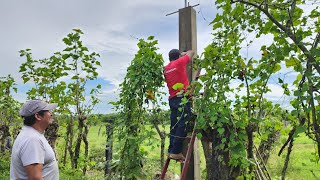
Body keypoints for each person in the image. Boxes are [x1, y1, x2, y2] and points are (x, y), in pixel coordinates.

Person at [10, 99, 59, 180]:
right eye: (48, 111)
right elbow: (35, 178)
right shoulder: (32, 139)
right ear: (38, 116)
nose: (51, 114)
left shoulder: (33, 134)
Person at [164, 49, 195, 161]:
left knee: (174, 124)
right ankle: (176, 151)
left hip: (172, 99)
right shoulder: (179, 62)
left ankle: (171, 150)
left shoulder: (165, 69)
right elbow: (191, 52)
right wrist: (183, 54)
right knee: (183, 124)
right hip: (182, 98)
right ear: (178, 56)